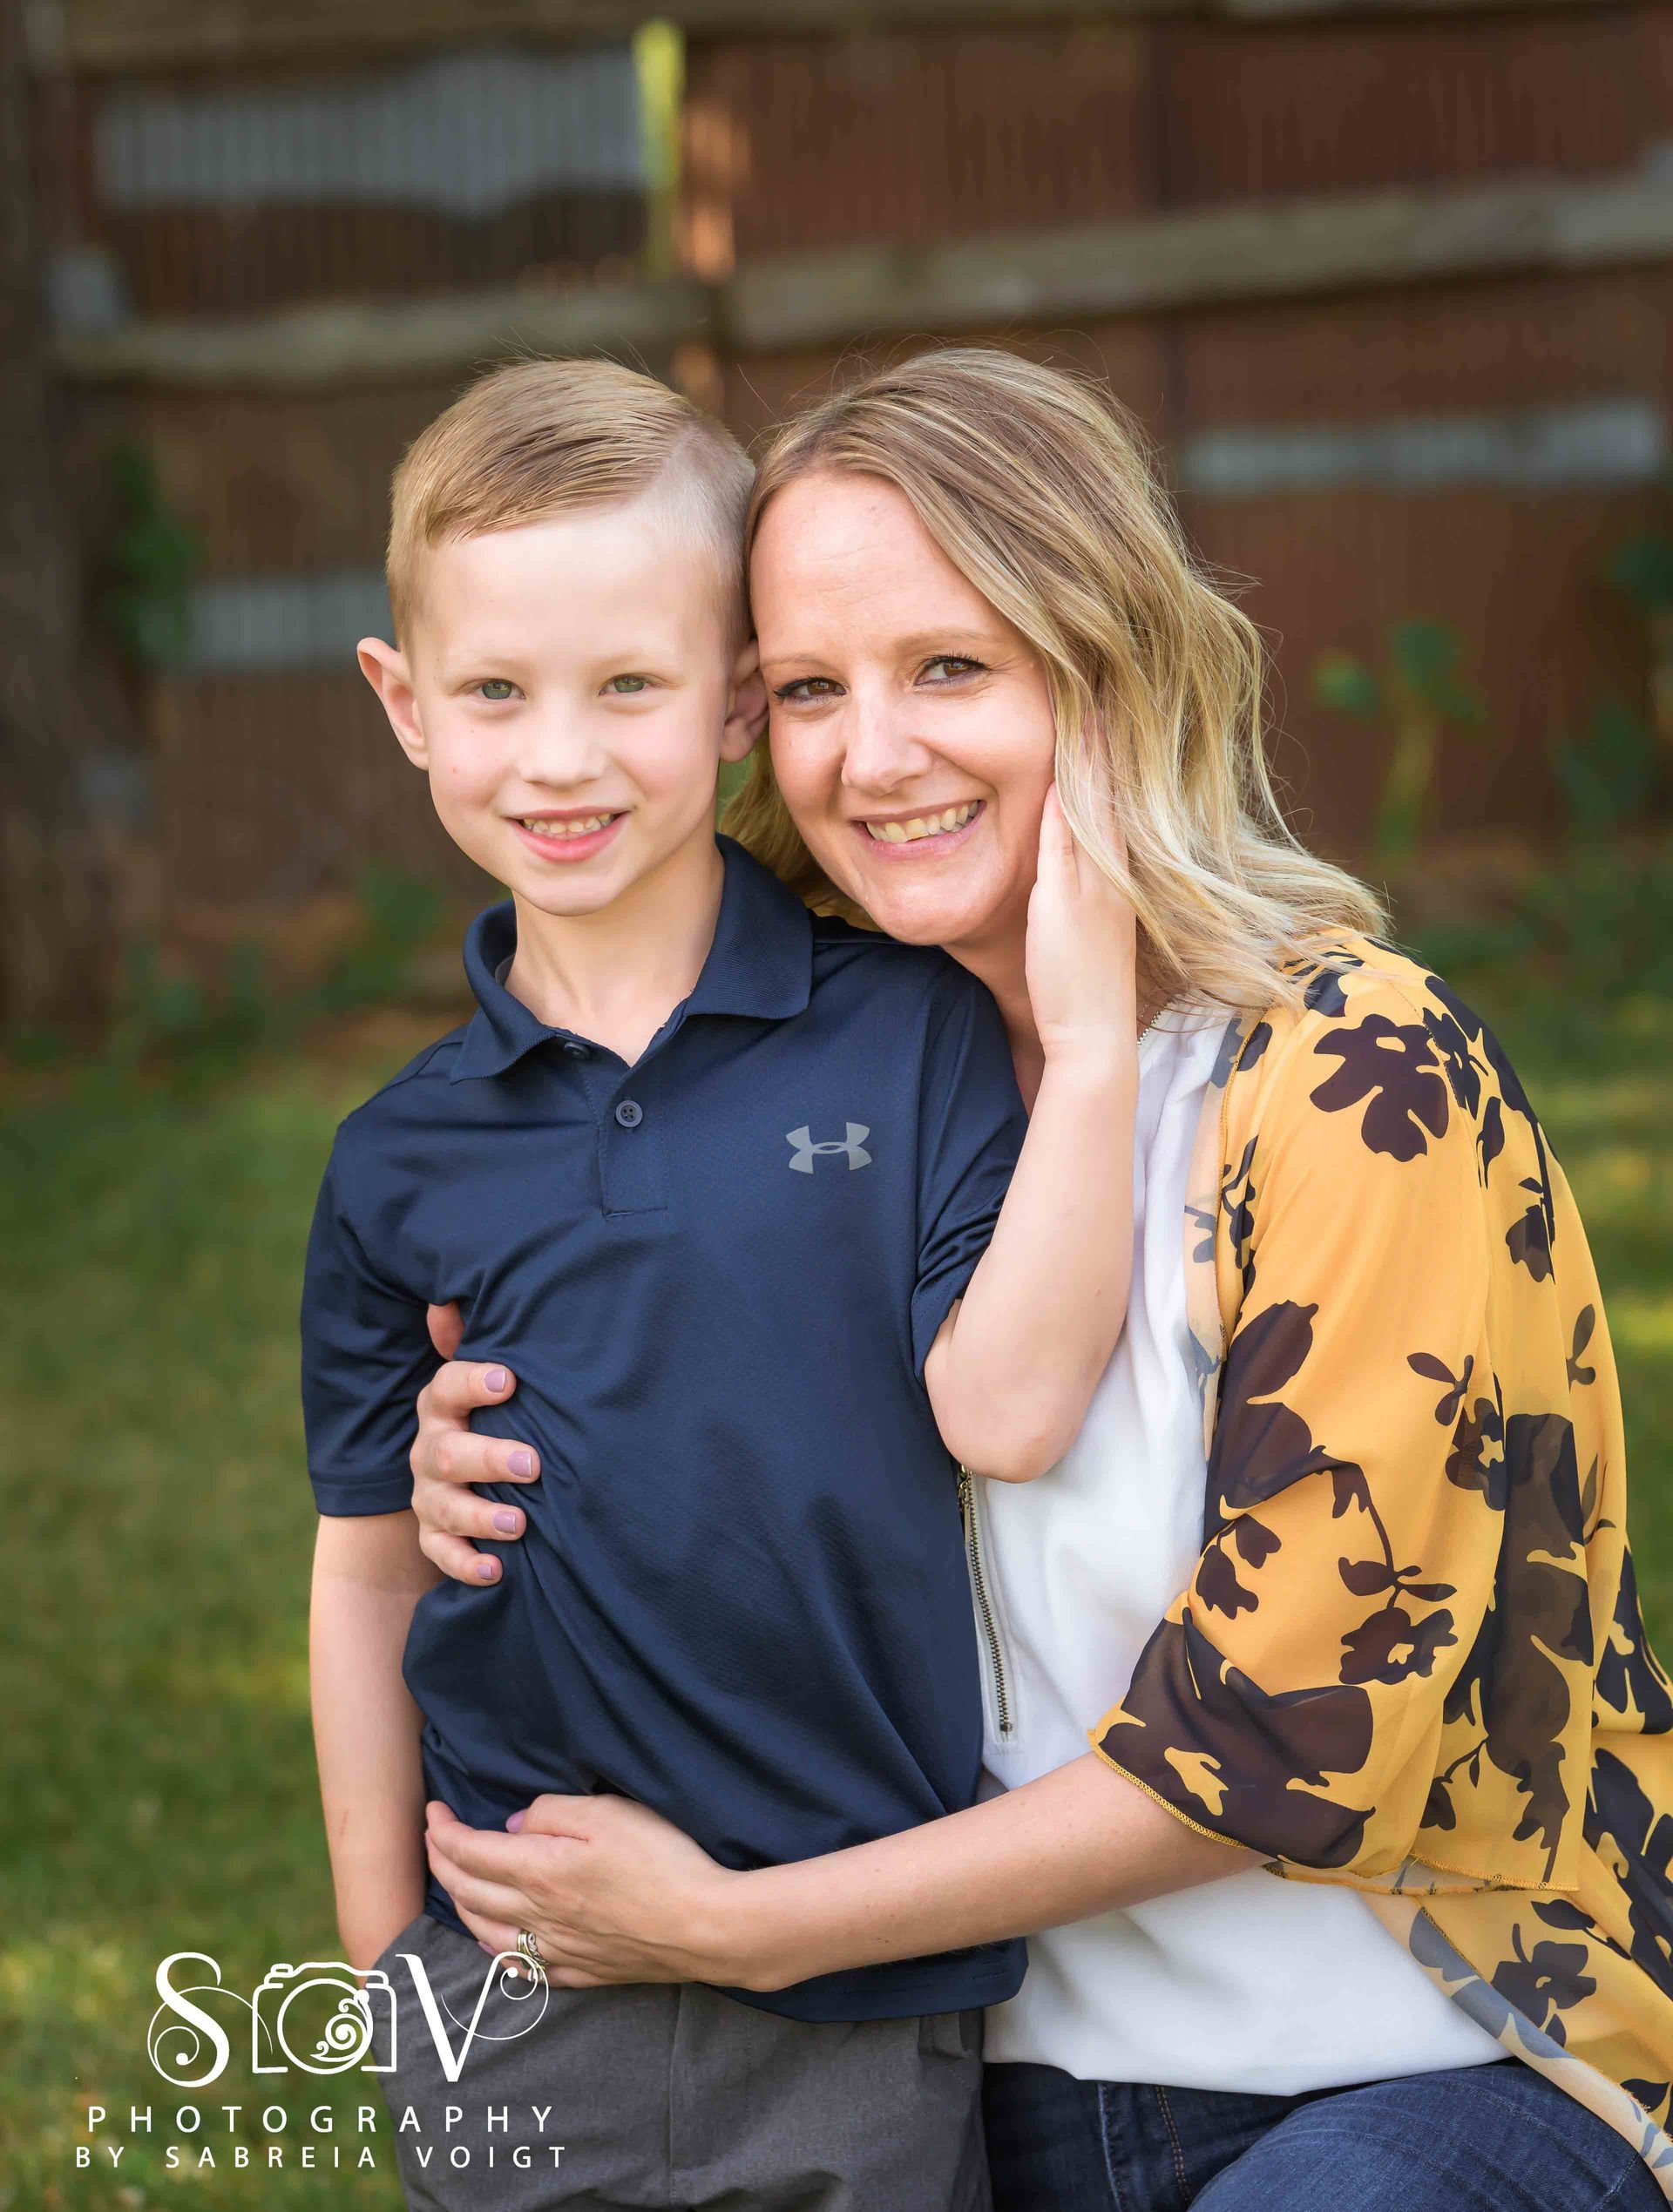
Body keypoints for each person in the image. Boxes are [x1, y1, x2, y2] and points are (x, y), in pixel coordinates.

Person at [407, 347, 1673, 2212]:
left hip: (1436, 2065)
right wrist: (494, 1461)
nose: (876, 754)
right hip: (965, 2097)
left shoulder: (1353, 1077)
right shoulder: (794, 1123)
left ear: (1106, 666)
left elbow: (1286, 1740)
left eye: (950, 669)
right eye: (816, 689)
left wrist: (749, 1927)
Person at [301, 353, 1148, 2212]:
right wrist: (395, 1977)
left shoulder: (904, 1036)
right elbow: (365, 1568)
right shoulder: (397, 1159)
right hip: (523, 1983)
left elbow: (1002, 1408)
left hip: (854, 1980)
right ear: (405, 704)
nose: (563, 756)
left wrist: (1088, 1055)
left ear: (741, 704)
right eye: (498, 692)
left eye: (630, 687)